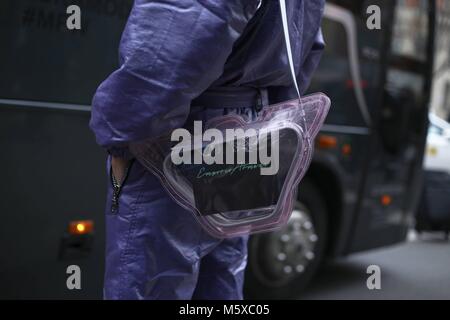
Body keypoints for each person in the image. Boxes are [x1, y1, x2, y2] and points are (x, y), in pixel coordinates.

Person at [89, 0, 325, 300]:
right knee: (221, 276)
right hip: (247, 130)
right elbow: (306, 48)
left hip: (180, 135)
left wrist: (121, 138)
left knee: (150, 282)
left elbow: (168, 48)